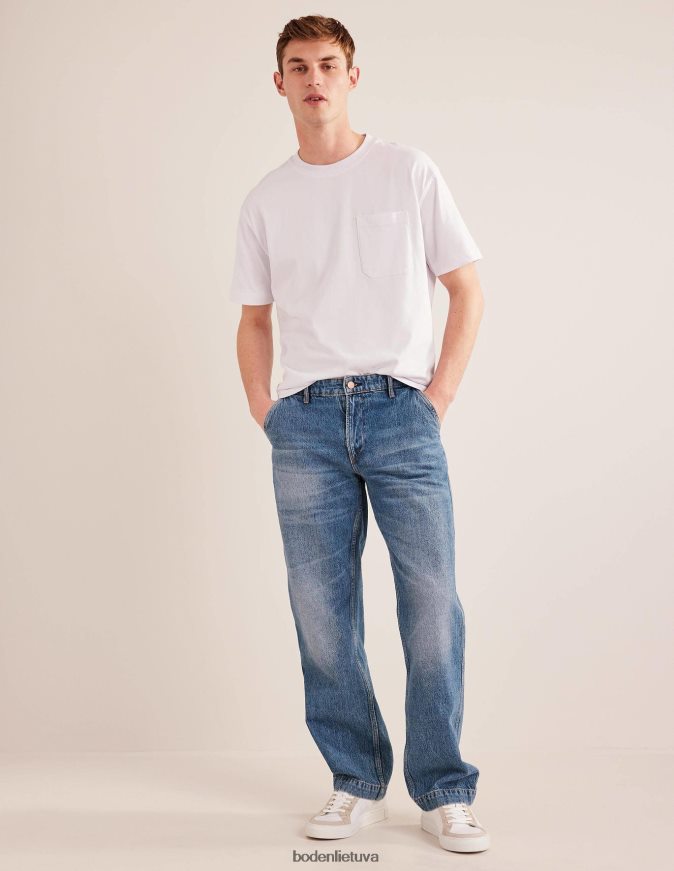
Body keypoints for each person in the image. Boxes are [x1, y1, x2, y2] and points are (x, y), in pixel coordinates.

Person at [229, 15, 490, 855]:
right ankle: (356, 780)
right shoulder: (267, 199)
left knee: (432, 603)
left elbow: (466, 287)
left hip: (400, 410)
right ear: (279, 83)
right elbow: (254, 318)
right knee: (321, 611)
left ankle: (444, 788)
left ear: (352, 75)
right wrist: (267, 409)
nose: (315, 79)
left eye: (328, 64)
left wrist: (436, 397)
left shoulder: (407, 172)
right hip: (304, 422)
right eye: (298, 66)